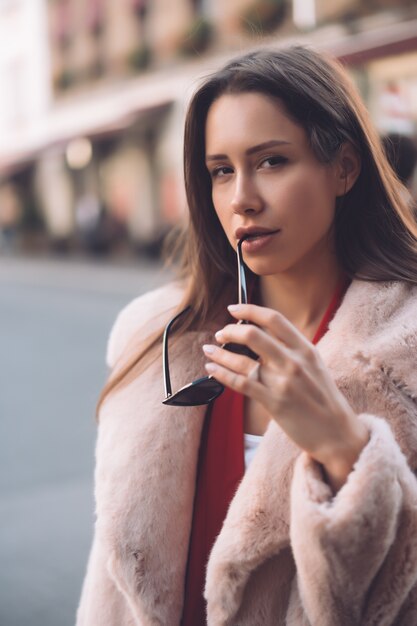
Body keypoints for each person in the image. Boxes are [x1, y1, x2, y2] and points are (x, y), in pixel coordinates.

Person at [76, 46, 417, 626]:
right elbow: (109, 589)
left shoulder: (403, 351)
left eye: (272, 162)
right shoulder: (156, 338)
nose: (241, 199)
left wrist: (342, 451)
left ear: (345, 169)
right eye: (221, 171)